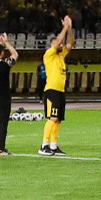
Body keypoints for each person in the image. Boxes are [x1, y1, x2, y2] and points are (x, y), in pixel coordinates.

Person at [39, 14, 73, 156]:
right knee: (52, 118)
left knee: (58, 119)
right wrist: (64, 27)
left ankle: (53, 145)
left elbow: (70, 43)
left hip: (60, 91)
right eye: (58, 44)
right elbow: (60, 39)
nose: (61, 44)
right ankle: (44, 145)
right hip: (51, 90)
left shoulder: (60, 55)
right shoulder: (49, 55)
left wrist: (70, 29)